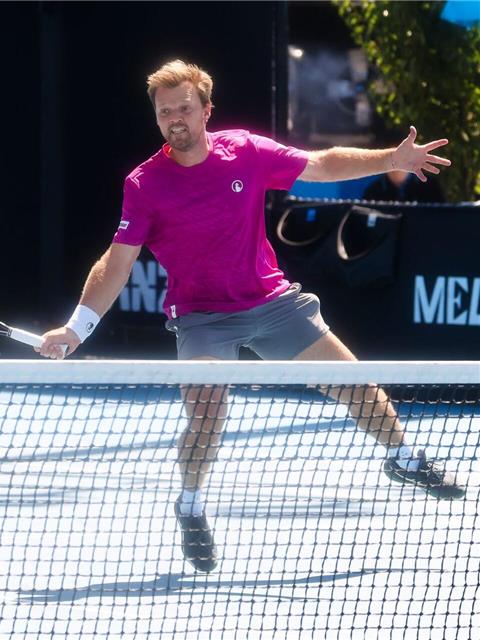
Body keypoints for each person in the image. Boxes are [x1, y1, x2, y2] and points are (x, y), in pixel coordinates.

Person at [37, 60, 465, 573]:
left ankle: (403, 458)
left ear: (206, 110)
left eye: (184, 108)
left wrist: (391, 158)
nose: (175, 118)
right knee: (208, 415)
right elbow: (116, 263)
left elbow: (322, 164)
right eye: (164, 111)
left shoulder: (245, 151)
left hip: (272, 303)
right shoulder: (144, 184)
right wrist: (76, 327)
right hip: (202, 318)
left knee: (357, 385)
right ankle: (190, 503)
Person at [362, 168, 445, 203]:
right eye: (392, 159)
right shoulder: (373, 192)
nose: (397, 165)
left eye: (402, 158)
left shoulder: (430, 186)